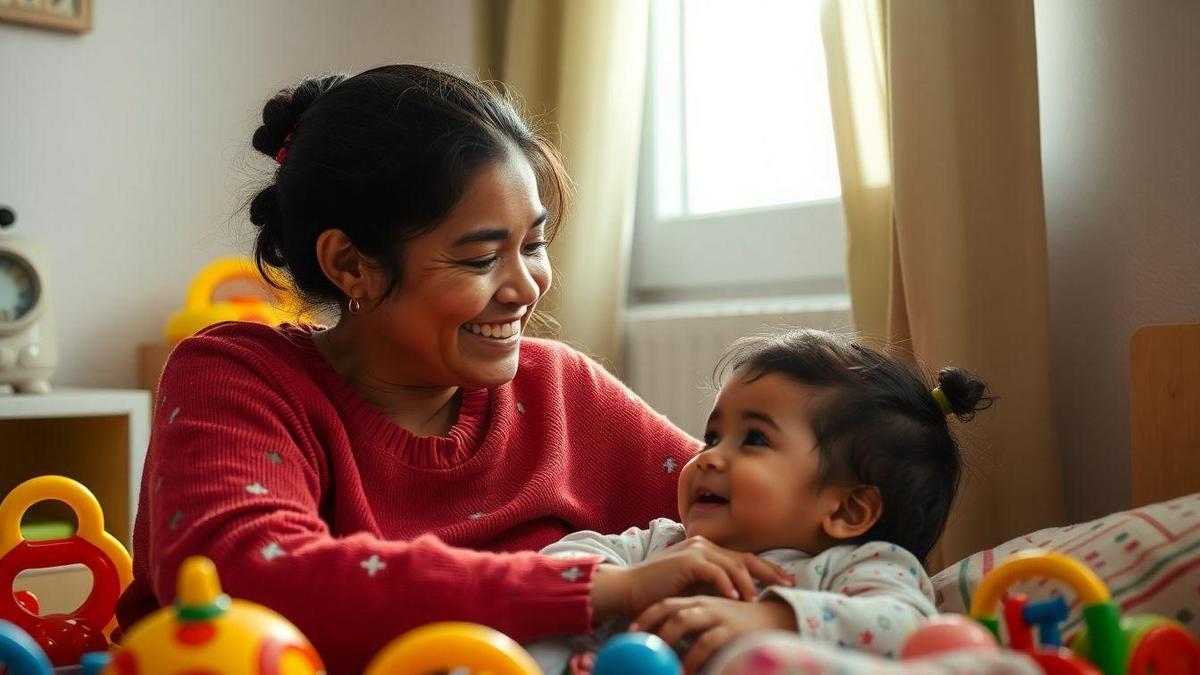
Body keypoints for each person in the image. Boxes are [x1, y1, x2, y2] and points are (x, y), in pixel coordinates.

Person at [114, 65, 794, 674]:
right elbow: (241, 576)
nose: (525, 286)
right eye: (479, 258)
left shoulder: (559, 387)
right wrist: (598, 587)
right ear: (352, 264)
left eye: (533, 244)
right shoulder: (232, 373)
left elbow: (769, 512)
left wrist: (779, 614)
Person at [525, 329, 994, 674]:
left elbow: (907, 626)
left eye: (753, 439)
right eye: (712, 437)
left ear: (847, 510)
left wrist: (774, 618)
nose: (707, 458)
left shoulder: (853, 568)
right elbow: (547, 574)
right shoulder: (664, 545)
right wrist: (630, 581)